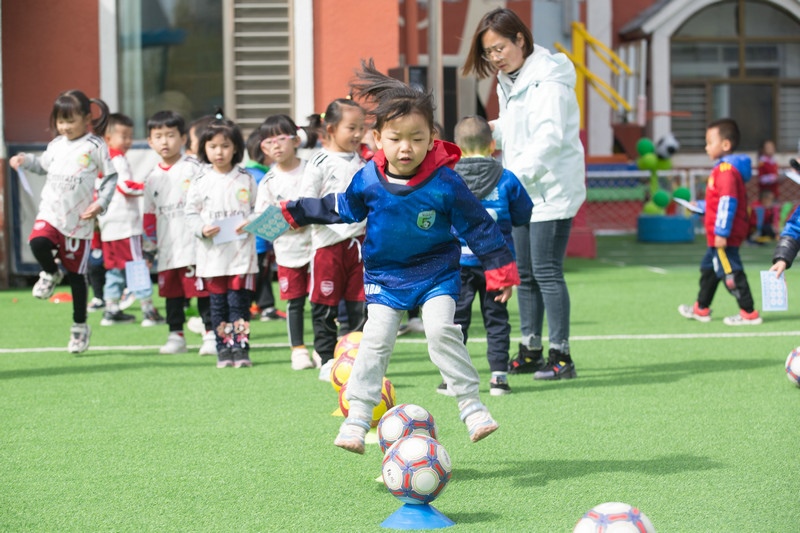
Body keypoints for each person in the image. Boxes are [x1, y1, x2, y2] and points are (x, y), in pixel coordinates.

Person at [282, 60, 519, 454]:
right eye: (395, 138)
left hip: (437, 274)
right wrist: (298, 210)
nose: (405, 147)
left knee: (442, 331)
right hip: (385, 278)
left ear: (431, 139)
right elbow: (343, 207)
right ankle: (358, 417)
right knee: (374, 341)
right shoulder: (368, 178)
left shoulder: (445, 181)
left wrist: (501, 269)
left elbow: (478, 225)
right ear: (377, 139)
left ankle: (471, 405)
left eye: (416, 137)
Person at [464, 8, 586, 380]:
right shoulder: (511, 80)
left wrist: (511, 178)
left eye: (500, 47)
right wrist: (480, 135)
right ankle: (531, 348)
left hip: (550, 190)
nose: (495, 57)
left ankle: (561, 356)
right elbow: (516, 128)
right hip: (520, 191)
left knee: (547, 272)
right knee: (526, 274)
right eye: (489, 52)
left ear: (520, 39)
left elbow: (550, 139)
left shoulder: (549, 80)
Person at [9, 89, 118, 353]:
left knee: (77, 278)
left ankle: (80, 327)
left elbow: (110, 178)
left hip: (78, 222)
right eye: (60, 121)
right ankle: (49, 271)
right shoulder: (56, 144)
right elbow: (43, 165)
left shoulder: (95, 147)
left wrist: (100, 204)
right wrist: (25, 160)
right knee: (37, 242)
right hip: (51, 212)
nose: (65, 127)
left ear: (85, 118)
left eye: (70, 121)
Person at [436, 115, 532, 397]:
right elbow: (523, 214)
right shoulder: (507, 178)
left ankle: (453, 379)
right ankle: (499, 378)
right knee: (497, 319)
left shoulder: (449, 177)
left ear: (459, 147)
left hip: (458, 261)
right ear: (492, 145)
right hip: (496, 262)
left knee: (456, 321)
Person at [302, 98, 368, 381]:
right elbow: (306, 203)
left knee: (359, 303)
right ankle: (327, 358)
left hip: (360, 246)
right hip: (327, 246)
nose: (357, 134)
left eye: (361, 128)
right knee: (324, 304)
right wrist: (336, 214)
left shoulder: (364, 162)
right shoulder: (319, 162)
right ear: (330, 128)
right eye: (351, 127)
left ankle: (356, 359)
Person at [185, 116, 258, 367]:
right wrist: (202, 229)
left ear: (236, 148)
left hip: (240, 254)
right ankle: (223, 350)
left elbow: (259, 209)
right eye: (213, 146)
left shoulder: (246, 178)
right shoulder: (200, 180)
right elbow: (190, 213)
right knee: (217, 305)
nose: (219, 152)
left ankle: (241, 349)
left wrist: (251, 221)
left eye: (225, 146)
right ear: (204, 148)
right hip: (212, 256)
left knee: (238, 303)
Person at [143, 110, 216, 356]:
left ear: (183, 138)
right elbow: (149, 215)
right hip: (167, 248)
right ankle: (176, 335)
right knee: (171, 294)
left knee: (202, 291)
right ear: (150, 141)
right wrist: (149, 247)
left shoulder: (195, 168)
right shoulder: (151, 178)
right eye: (158, 136)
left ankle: (210, 333)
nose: (165, 142)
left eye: (171, 135)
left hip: (196, 245)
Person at [678, 118, 762, 326]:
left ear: (725, 145)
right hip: (718, 234)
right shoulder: (722, 170)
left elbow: (727, 202)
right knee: (709, 269)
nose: (706, 147)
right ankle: (701, 308)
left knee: (730, 271)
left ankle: (748, 312)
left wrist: (721, 233)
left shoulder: (726, 172)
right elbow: (718, 202)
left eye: (709, 142)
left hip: (724, 235)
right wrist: (700, 206)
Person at [247, 114, 314, 371]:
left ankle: (324, 348)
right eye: (269, 142)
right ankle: (298, 348)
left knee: (322, 301)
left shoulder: (312, 169)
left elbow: (323, 203)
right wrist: (293, 219)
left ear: (296, 140)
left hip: (319, 246)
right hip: (288, 251)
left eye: (281, 139)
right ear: (263, 148)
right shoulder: (268, 182)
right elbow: (264, 222)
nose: (276, 146)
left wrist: (303, 215)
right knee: (294, 301)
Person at [96, 113, 165, 327]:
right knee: (137, 265)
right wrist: (150, 188)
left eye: (129, 137)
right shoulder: (117, 159)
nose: (127, 141)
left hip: (108, 224)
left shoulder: (102, 159)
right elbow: (125, 186)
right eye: (123, 136)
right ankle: (148, 310)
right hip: (125, 224)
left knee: (115, 268)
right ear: (108, 138)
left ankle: (111, 309)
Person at [243, 125, 284, 322]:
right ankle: (261, 306)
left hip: (252, 236)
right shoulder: (262, 177)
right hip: (260, 237)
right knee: (260, 272)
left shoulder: (247, 173)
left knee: (258, 272)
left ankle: (260, 305)